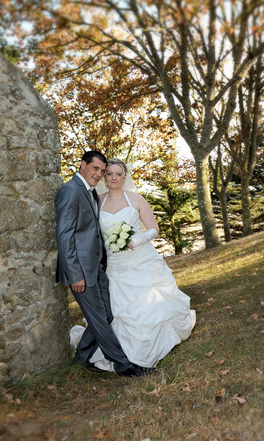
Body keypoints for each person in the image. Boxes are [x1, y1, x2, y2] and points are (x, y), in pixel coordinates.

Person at [70, 158, 196, 371]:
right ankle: (114, 350)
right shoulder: (96, 201)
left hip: (140, 259)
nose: (113, 178)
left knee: (148, 302)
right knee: (115, 307)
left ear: (124, 177)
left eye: (118, 174)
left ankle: (153, 343)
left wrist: (136, 240)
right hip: (114, 264)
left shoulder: (136, 200)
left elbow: (153, 228)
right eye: (109, 173)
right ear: (104, 176)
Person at [54, 151, 150, 377]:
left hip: (96, 268)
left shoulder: (88, 192)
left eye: (101, 171)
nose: (98, 174)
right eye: (95, 169)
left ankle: (81, 359)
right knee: (99, 318)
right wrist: (75, 274)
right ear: (82, 165)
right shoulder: (70, 191)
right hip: (81, 271)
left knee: (107, 314)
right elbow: (64, 236)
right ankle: (124, 365)